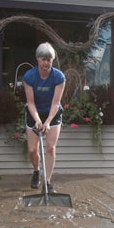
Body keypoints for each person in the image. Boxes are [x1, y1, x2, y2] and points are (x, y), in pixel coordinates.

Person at [23, 42, 66, 193]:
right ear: (38, 59)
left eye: (49, 60)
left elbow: (56, 103)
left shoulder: (58, 77)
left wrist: (47, 122)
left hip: (52, 114)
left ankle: (47, 182)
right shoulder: (29, 76)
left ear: (52, 61)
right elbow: (30, 102)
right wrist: (37, 120)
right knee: (32, 150)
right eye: (43, 59)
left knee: (50, 148)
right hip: (34, 113)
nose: (46, 63)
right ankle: (37, 171)